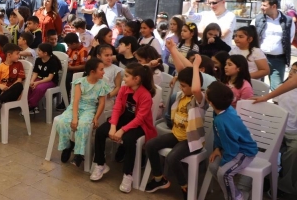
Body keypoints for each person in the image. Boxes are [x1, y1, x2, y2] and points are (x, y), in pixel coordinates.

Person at [143, 59, 206, 197]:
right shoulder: (181, 95)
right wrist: (178, 75)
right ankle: (159, 179)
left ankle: (185, 187)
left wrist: (195, 66)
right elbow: (183, 73)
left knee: (172, 158)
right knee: (150, 145)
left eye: (183, 86)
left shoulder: (200, 100)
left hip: (191, 140)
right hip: (177, 135)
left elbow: (195, 88)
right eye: (180, 85)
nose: (180, 88)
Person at [90, 63, 157, 193]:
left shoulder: (145, 95)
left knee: (128, 140)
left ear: (136, 79)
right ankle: (100, 164)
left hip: (139, 125)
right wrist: (113, 126)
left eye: (126, 76)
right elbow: (117, 108)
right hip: (122, 120)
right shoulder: (124, 88)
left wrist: (121, 130)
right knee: (100, 131)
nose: (124, 78)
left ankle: (128, 174)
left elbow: (140, 119)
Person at [251, 63, 297, 196]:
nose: (293, 73)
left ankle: (285, 186)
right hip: (277, 127)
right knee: (263, 145)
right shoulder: (283, 88)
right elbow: (274, 108)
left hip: (294, 132)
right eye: (292, 70)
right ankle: (265, 178)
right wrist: (265, 98)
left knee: (294, 151)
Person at [207, 81, 258, 200]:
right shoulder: (221, 110)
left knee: (224, 173)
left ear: (211, 102)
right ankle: (235, 192)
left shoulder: (223, 120)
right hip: (231, 148)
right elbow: (220, 136)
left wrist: (224, 162)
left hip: (244, 152)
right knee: (213, 167)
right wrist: (217, 149)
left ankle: (234, 197)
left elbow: (231, 147)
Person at [57, 58, 110, 166]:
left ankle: (79, 154)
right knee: (62, 121)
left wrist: (96, 118)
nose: (103, 72)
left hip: (90, 109)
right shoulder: (80, 82)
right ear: (92, 72)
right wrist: (75, 118)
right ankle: (68, 146)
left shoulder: (102, 84)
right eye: (101, 69)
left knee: (83, 125)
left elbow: (101, 103)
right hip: (75, 107)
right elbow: (75, 101)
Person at [250, 0, 295, 90]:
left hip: (278, 60)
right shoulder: (257, 20)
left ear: (273, 6)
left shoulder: (288, 21)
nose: (261, 7)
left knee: (277, 88)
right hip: (259, 58)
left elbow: (289, 39)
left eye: (264, 5)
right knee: (256, 87)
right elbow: (251, 37)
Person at [25, 43, 61, 114]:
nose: (37, 52)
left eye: (39, 51)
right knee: (28, 85)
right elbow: (35, 72)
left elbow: (50, 78)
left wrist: (37, 82)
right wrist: (32, 81)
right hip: (40, 79)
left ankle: (31, 105)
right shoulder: (38, 60)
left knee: (38, 88)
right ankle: (28, 104)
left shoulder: (53, 61)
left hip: (51, 81)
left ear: (45, 53)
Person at [98, 44, 123, 108]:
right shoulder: (95, 68)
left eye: (111, 55)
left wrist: (109, 95)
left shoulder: (115, 69)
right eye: (106, 55)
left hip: (109, 98)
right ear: (99, 56)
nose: (109, 57)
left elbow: (118, 87)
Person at [64, 33, 87, 105]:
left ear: (74, 44)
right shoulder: (70, 49)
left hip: (77, 72)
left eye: (69, 45)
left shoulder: (83, 51)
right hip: (68, 70)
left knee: (67, 78)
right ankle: (64, 98)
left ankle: (66, 101)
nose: (68, 47)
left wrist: (71, 68)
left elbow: (84, 66)